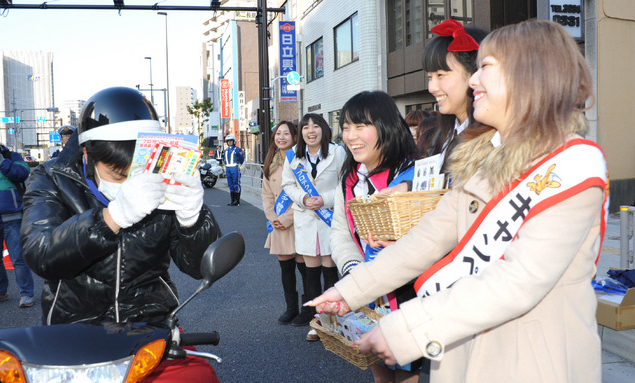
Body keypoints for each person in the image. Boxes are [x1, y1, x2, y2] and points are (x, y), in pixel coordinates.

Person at [311, 20, 608, 383]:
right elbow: (428, 237)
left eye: (485, 68)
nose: (472, 81)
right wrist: (349, 291)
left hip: (532, 362)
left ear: (529, 77)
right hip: (459, 351)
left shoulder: (572, 167)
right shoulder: (486, 160)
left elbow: (519, 280)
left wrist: (407, 329)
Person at [20, 86, 222, 382]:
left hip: (149, 330)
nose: (129, 183)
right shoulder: (52, 178)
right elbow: (41, 254)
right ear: (87, 154)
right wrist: (112, 217)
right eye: (118, 175)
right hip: (74, 331)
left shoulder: (161, 173)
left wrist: (193, 216)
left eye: (135, 174)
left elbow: (196, 267)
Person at [331, 90, 423, 382]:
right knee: (380, 374)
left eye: (360, 126)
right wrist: (355, 272)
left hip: (409, 297)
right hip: (369, 298)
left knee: (409, 375)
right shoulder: (349, 180)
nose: (351, 136)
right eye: (346, 128)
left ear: (385, 127)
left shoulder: (413, 174)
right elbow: (341, 233)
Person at [281, 113, 345, 341]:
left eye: (316, 126)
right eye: (306, 127)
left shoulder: (337, 152)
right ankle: (316, 321)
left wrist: (325, 199)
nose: (311, 131)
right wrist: (303, 197)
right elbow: (287, 184)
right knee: (310, 274)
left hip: (329, 218)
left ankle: (334, 321)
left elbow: (345, 182)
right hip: (306, 219)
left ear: (324, 129)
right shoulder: (294, 157)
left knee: (330, 273)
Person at [418, 19, 489, 174]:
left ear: (474, 73)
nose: (431, 88)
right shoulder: (442, 135)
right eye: (430, 77)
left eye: (441, 75)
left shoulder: (495, 141)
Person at [261, 121, 307, 325]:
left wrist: (287, 218)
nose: (281, 137)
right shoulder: (270, 161)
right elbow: (267, 195)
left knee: (305, 268)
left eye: (286, 133)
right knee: (286, 269)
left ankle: (310, 309)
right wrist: (273, 218)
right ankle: (291, 309)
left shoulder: (300, 160)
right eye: (278, 133)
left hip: (299, 219)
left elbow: (307, 193)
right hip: (278, 222)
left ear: (295, 137)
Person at [0, 133, 34, 308]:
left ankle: (26, 293)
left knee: (18, 258)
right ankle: (0, 291)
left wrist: (0, 161)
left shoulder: (12, 156)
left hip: (13, 216)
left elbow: (23, 173)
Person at [223, 134, 244, 206]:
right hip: (228, 168)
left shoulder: (237, 149)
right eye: (228, 141)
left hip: (234, 167)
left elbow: (242, 158)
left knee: (236, 183)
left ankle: (237, 201)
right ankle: (232, 200)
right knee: (230, 184)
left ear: (234, 141)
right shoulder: (226, 150)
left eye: (231, 141)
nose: (229, 143)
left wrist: (239, 165)